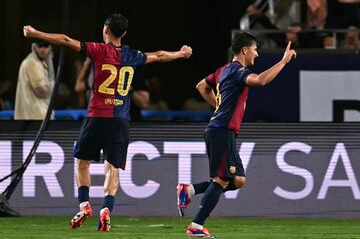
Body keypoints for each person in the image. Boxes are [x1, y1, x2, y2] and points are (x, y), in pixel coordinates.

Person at [23, 13, 192, 231]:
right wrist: (181, 53)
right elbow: (159, 55)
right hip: (120, 120)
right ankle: (107, 208)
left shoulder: (97, 50)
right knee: (112, 167)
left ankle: (84, 205)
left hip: (96, 116)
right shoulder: (133, 55)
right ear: (124, 33)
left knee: (82, 161)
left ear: (105, 29)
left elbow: (65, 40)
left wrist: (36, 33)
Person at [177, 32, 296, 238]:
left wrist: (218, 106)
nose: (256, 54)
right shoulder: (239, 71)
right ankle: (196, 226)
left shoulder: (223, 70)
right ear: (244, 50)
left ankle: (189, 191)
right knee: (222, 180)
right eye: (255, 49)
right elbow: (260, 80)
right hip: (221, 130)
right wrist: (283, 61)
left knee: (238, 179)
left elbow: (201, 86)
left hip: (221, 130)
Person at [14, 39, 55, 120]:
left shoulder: (40, 63)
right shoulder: (32, 63)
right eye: (40, 46)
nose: (43, 49)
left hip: (36, 117)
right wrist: (52, 86)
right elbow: (42, 90)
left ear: (50, 48)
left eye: (46, 46)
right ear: (34, 47)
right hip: (34, 117)